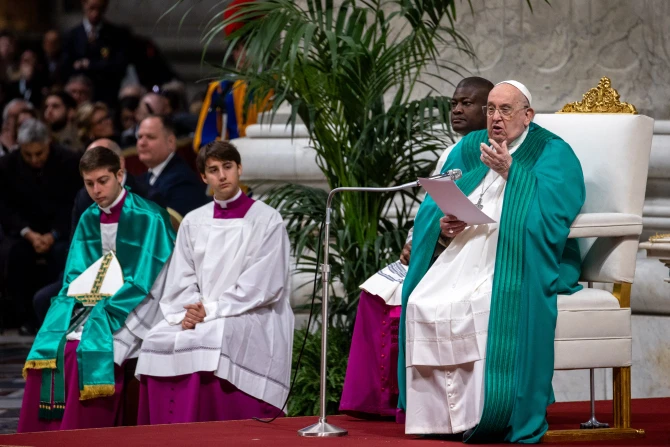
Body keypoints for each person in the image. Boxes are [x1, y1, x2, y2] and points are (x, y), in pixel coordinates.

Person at [399, 81, 585, 443]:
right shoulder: (471, 146)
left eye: (505, 110)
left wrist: (512, 172)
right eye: (490, 109)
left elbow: (558, 208)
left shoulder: (552, 151)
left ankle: (487, 413)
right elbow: (435, 205)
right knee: (422, 300)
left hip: (513, 255)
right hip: (465, 249)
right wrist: (444, 226)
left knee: (482, 303)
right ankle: (441, 420)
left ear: (527, 115)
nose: (495, 118)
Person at [339, 76, 494, 421]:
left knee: (404, 302)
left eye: (466, 103)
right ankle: (379, 402)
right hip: (436, 248)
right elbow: (431, 206)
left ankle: (408, 402)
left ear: (490, 110)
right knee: (373, 295)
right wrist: (415, 240)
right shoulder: (451, 153)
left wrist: (440, 237)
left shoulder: (497, 155)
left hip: (470, 255)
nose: (456, 109)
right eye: (453, 103)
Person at [18, 146, 175, 432]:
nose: (96, 190)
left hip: (142, 305)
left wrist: (106, 309)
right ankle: (43, 435)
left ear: (119, 175)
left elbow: (147, 279)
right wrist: (80, 306)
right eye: (89, 183)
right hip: (95, 304)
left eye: (103, 181)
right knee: (52, 346)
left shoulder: (148, 217)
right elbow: (75, 275)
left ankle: (85, 433)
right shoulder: (89, 218)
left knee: (86, 351)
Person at [135, 140, 294, 424]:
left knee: (212, 337)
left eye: (227, 167)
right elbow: (181, 277)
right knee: (155, 339)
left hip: (251, 312)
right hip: (200, 313)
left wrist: (210, 311)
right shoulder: (193, 221)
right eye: (213, 170)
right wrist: (190, 310)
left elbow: (263, 284)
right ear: (203, 177)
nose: (222, 176)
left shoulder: (267, 220)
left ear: (239, 169)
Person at [32, 138, 161, 324]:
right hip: (91, 274)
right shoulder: (84, 196)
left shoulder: (147, 197)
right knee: (44, 301)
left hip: (134, 279)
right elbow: (76, 247)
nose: (96, 190)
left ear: (120, 166)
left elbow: (152, 257)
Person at [0, 119, 82, 334]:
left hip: (61, 230)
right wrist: (29, 234)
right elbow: (5, 208)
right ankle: (26, 319)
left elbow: (72, 203)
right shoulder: (6, 165)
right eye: (28, 154)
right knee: (15, 255)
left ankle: (61, 317)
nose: (34, 159)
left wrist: (53, 234)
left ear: (49, 144)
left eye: (39, 153)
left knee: (63, 254)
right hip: (23, 231)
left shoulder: (69, 161)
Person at [61, 0, 130, 107]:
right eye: (92, 8)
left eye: (100, 9)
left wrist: (90, 65)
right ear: (84, 5)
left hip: (106, 95)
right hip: (79, 97)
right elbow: (65, 67)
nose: (95, 13)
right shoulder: (72, 35)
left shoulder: (116, 35)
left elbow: (119, 66)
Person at [136, 115, 208, 216]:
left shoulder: (182, 180)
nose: (141, 143)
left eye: (150, 137)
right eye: (139, 137)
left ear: (170, 142)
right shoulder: (142, 179)